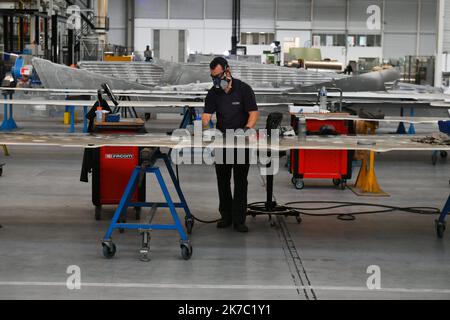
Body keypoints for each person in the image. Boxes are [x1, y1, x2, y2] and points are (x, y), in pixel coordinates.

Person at [202, 57, 259, 233]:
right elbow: (206, 116)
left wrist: (247, 129)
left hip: (241, 142)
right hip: (222, 142)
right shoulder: (213, 92)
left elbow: (253, 113)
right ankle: (226, 216)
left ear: (228, 70)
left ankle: (239, 220)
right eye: (213, 78)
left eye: (218, 76)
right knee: (223, 180)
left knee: (241, 181)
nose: (216, 81)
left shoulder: (244, 89)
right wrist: (205, 123)